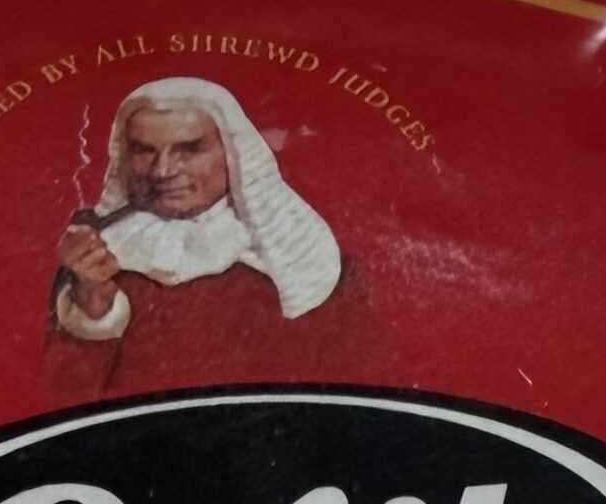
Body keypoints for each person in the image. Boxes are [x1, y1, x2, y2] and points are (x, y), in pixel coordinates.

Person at [45, 78, 386, 397]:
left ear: (234, 153)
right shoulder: (90, 256)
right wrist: (93, 305)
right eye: (144, 151)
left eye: (189, 150)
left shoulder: (306, 257)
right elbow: (65, 395)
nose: (163, 171)